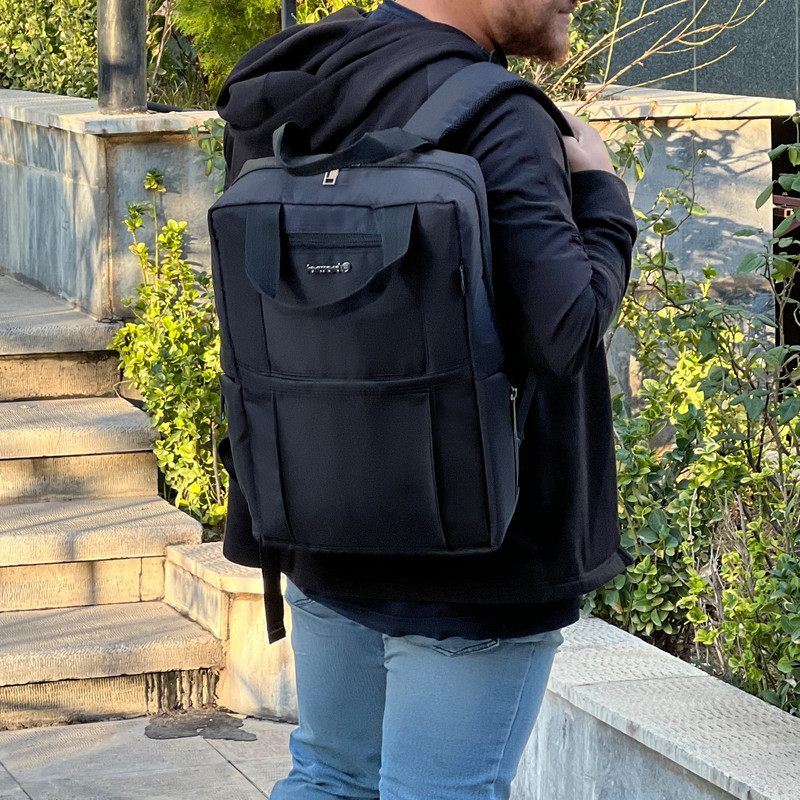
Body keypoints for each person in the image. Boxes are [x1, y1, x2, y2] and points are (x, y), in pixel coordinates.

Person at [216, 1, 638, 798]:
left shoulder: (298, 84)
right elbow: (565, 332)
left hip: (320, 520)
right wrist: (603, 196)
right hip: (478, 559)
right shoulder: (500, 116)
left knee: (329, 778)